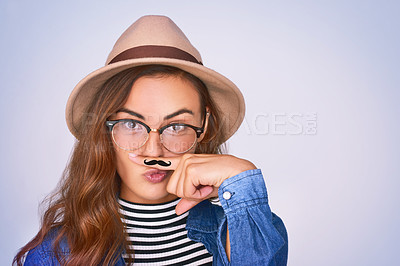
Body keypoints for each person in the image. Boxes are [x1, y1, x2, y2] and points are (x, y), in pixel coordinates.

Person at [14, 15, 288, 265]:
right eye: (132, 124)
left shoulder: (251, 231)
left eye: (177, 126)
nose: (154, 150)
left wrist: (243, 181)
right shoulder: (55, 255)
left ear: (203, 125)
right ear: (104, 129)